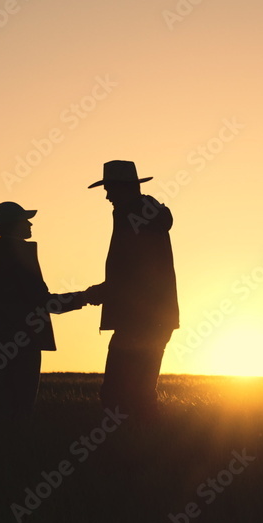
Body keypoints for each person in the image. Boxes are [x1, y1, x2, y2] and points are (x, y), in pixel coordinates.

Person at [0, 201, 90, 432]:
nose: (30, 223)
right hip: (22, 342)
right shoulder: (19, 254)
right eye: (25, 220)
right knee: (21, 409)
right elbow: (44, 301)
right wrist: (87, 297)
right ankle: (14, 458)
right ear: (14, 226)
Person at [84, 161, 179, 420]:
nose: (107, 196)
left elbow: (132, 271)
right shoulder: (145, 214)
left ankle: (130, 447)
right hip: (153, 318)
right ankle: (144, 445)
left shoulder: (132, 215)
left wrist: (101, 292)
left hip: (140, 319)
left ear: (123, 188)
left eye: (109, 189)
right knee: (138, 391)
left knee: (119, 393)